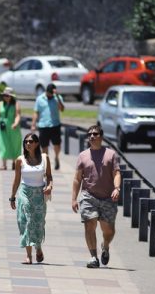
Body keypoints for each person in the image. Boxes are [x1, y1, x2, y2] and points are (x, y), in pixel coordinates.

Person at [71, 124, 121, 268]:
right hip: (89, 196)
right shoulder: (83, 156)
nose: (92, 136)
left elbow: (117, 173)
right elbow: (77, 179)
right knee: (89, 224)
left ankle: (105, 245)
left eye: (95, 134)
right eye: (90, 134)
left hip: (107, 198)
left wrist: (117, 188)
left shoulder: (111, 154)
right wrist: (74, 199)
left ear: (101, 137)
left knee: (109, 231)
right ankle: (93, 257)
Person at [9, 133, 52, 264]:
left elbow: (49, 176)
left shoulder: (45, 158)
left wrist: (50, 186)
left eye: (31, 141)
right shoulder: (20, 160)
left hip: (39, 193)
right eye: (26, 141)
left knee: (38, 223)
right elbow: (16, 180)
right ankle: (29, 256)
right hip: (24, 192)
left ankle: (38, 247)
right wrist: (12, 197)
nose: (28, 143)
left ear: (37, 143)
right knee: (26, 221)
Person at [31, 83, 64, 170]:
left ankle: (56, 157)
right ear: (46, 91)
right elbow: (36, 112)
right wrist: (33, 124)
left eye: (52, 94)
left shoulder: (57, 98)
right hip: (43, 125)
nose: (51, 95)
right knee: (44, 146)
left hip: (55, 125)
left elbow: (62, 109)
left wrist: (57, 98)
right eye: (50, 93)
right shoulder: (39, 99)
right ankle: (46, 162)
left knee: (57, 144)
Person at [0, 87, 22, 170]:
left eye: (8, 95)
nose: (6, 97)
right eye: (4, 95)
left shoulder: (16, 104)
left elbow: (18, 115)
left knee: (14, 144)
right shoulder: (0, 104)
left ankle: (14, 162)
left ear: (11, 96)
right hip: (2, 127)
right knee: (3, 145)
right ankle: (4, 164)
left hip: (13, 127)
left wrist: (16, 123)